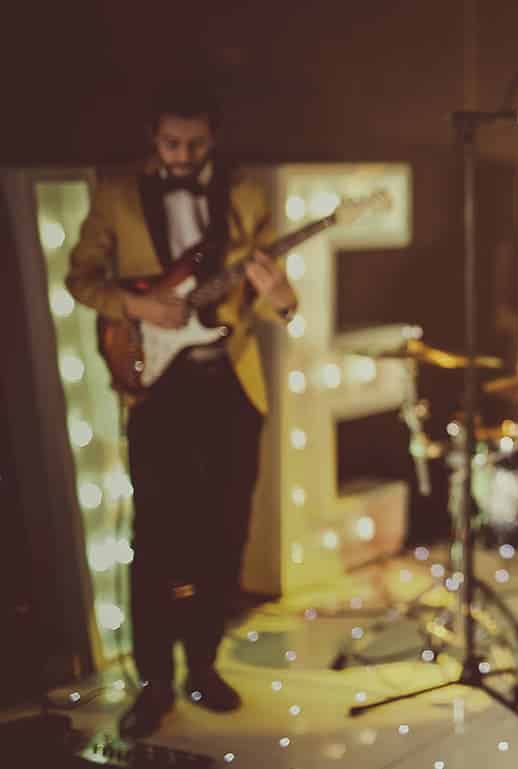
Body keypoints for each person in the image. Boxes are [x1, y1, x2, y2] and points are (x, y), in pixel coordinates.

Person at [66, 78, 297, 739]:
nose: (183, 154)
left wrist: (281, 296)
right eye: (171, 142)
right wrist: (140, 305)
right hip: (158, 387)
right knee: (158, 539)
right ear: (154, 136)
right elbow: (81, 278)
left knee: (225, 533)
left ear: (213, 138)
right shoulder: (116, 193)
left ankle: (203, 664)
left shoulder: (246, 195)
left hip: (231, 384)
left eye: (195, 143)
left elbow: (271, 300)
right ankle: (155, 681)